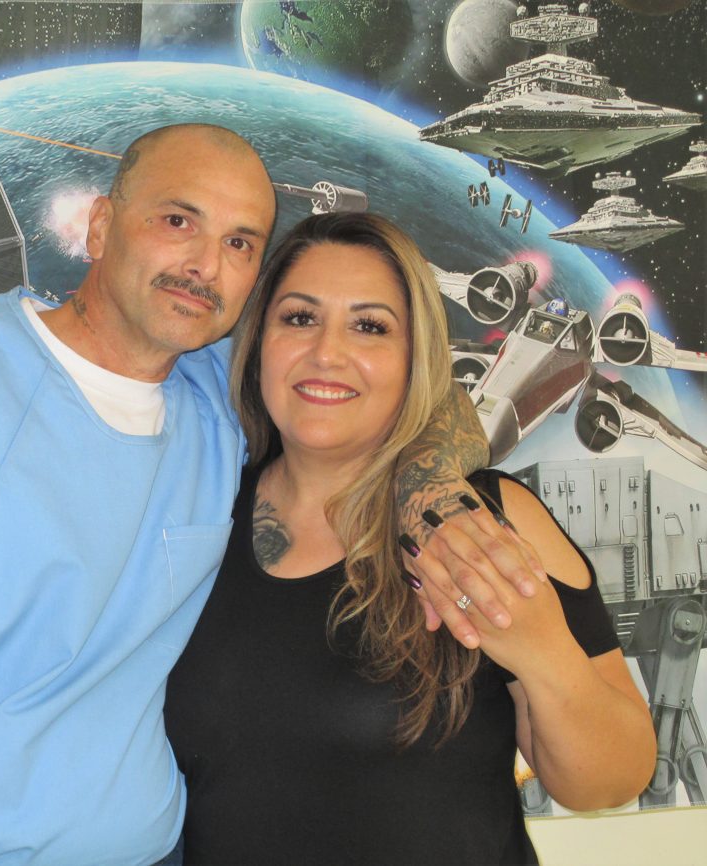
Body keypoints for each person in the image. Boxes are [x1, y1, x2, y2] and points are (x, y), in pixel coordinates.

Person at [0, 126, 532, 866]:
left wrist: (429, 497)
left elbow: (419, 394)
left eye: (241, 243)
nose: (205, 265)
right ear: (101, 227)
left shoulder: (218, 393)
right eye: (178, 221)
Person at [164, 212, 657, 865]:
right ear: (258, 342)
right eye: (299, 318)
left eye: (370, 326)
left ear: (413, 358)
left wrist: (543, 650)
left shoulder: (482, 519)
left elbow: (607, 783)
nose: (326, 353)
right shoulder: (198, 514)